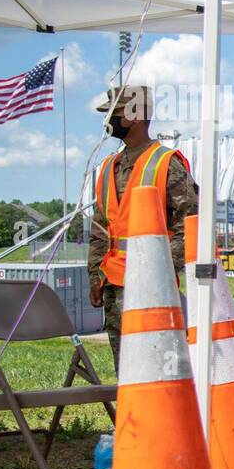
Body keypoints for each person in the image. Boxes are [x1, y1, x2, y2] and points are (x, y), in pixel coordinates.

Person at [87, 85, 197, 374]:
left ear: (135, 115)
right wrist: (93, 277)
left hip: (151, 285)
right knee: (124, 366)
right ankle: (130, 419)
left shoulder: (165, 162)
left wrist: (157, 273)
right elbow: (100, 228)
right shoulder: (109, 166)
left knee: (154, 365)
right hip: (113, 283)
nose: (107, 120)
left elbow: (189, 224)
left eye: (114, 112)